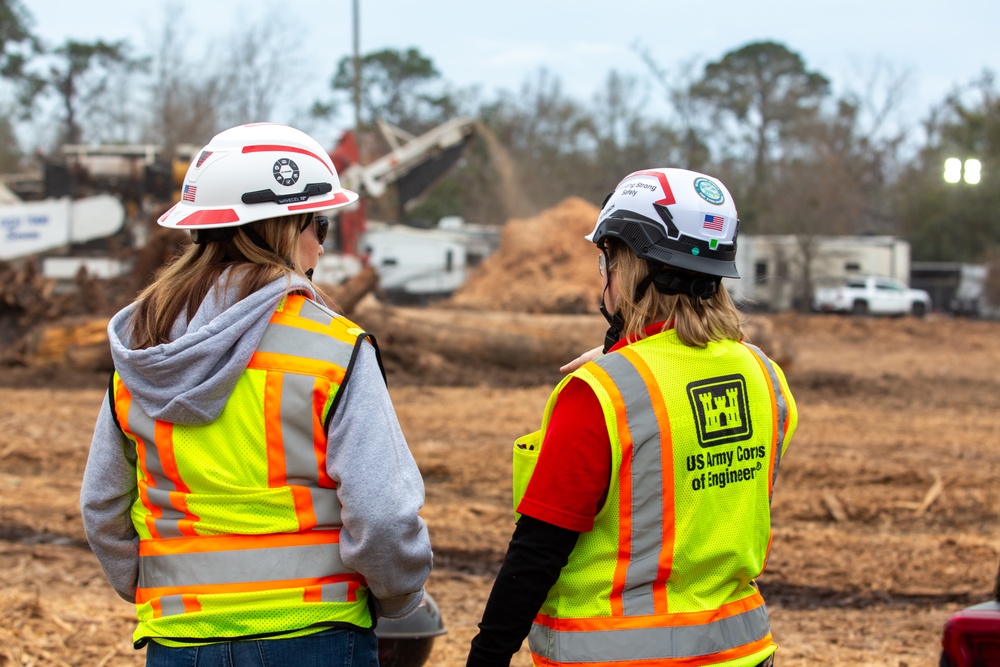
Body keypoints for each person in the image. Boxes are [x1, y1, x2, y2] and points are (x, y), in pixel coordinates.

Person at [80, 122, 432, 666]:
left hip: (180, 637)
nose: (321, 242)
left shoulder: (142, 350)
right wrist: (397, 595)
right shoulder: (332, 348)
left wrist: (161, 591)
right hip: (314, 632)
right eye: (322, 224)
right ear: (289, 228)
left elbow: (102, 507)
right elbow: (382, 515)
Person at [466, 168, 797, 667]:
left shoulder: (600, 396)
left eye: (609, 260)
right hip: (743, 652)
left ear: (633, 265)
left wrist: (485, 657)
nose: (605, 275)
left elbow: (537, 554)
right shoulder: (764, 376)